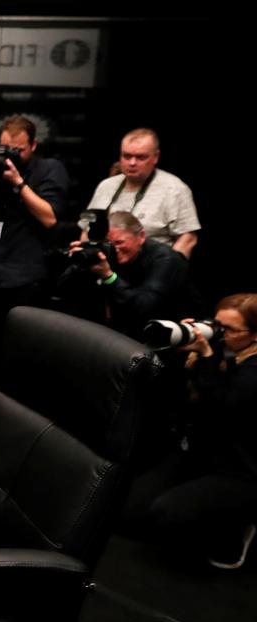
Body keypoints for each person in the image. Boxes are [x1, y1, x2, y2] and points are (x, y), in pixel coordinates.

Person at [125, 293, 257, 568]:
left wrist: (207, 357)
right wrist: (181, 349)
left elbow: (223, 408)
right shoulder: (216, 350)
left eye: (228, 329)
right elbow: (167, 393)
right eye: (216, 324)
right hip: (196, 452)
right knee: (128, 514)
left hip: (239, 468)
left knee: (169, 515)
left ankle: (237, 528)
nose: (218, 334)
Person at [0, 115, 69, 349]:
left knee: (26, 342)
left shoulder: (49, 169)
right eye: (6, 149)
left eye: (19, 150)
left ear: (34, 145)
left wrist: (19, 183)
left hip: (27, 273)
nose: (12, 155)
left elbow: (49, 218)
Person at [59, 211, 200, 338]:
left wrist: (109, 276)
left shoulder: (165, 259)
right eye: (108, 243)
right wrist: (80, 259)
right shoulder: (107, 252)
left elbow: (143, 307)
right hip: (125, 330)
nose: (114, 249)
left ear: (141, 236)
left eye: (120, 242)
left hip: (170, 332)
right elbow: (62, 289)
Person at [86, 128, 200, 257]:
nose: (132, 163)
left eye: (140, 157)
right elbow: (86, 230)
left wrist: (167, 269)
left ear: (156, 156)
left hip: (151, 266)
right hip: (107, 265)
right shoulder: (106, 186)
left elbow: (188, 238)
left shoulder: (175, 189)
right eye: (126, 156)